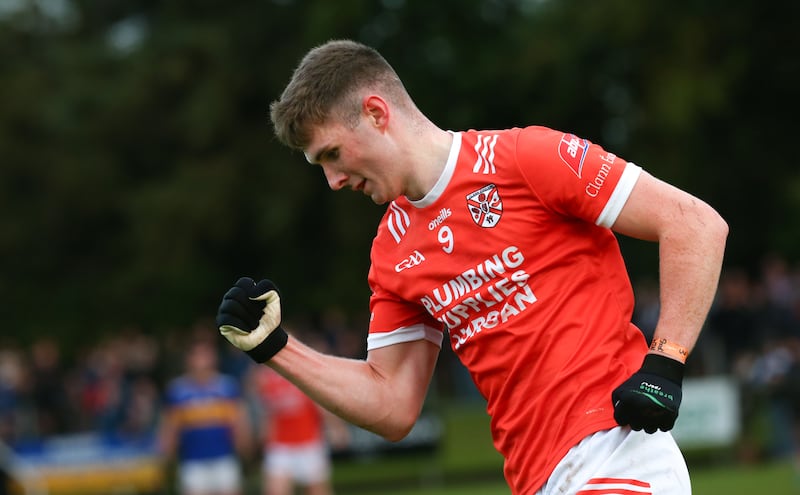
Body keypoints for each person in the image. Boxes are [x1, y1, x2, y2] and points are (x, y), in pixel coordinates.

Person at [215, 39, 728, 494]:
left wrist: (664, 365)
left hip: (619, 450)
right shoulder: (392, 251)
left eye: (331, 154)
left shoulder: (526, 157)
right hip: (536, 478)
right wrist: (274, 347)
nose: (333, 181)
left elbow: (694, 224)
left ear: (375, 113)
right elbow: (393, 406)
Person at [158, 337, 252, 495]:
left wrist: (245, 446)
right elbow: (170, 426)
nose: (201, 361)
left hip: (224, 458)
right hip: (193, 462)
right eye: (197, 356)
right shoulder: (178, 390)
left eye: (205, 355)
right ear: (189, 359)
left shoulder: (227, 387)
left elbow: (239, 420)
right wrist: (165, 453)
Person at [251, 362, 349, 495]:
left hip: (308, 442)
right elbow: (267, 412)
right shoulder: (263, 376)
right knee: (275, 490)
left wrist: (336, 427)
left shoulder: (302, 373)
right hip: (279, 445)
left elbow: (321, 403)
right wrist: (262, 441)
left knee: (317, 490)